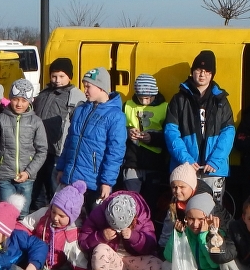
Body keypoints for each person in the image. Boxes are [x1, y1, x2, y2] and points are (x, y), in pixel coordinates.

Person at [163, 50, 235, 202]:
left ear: (212, 74)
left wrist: (215, 160)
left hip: (214, 170)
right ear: (192, 71)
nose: (202, 74)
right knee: (183, 209)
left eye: (207, 71)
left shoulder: (221, 100)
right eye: (198, 69)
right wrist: (186, 160)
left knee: (213, 209)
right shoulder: (179, 99)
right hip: (185, 169)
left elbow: (228, 132)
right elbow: (171, 132)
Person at [56, 67, 127, 216]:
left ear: (101, 87)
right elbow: (69, 141)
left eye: (88, 86)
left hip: (93, 183)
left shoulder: (115, 116)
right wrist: (62, 167)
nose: (85, 90)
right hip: (71, 179)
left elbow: (115, 152)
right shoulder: (81, 110)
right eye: (84, 86)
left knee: (92, 222)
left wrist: (107, 182)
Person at [78, 191, 164, 270]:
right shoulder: (98, 214)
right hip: (112, 260)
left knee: (160, 268)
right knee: (100, 250)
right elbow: (83, 242)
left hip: (135, 260)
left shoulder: (142, 216)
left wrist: (134, 236)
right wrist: (101, 236)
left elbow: (151, 245)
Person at [20, 180, 90, 270]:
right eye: (53, 212)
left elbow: (80, 266)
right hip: (31, 260)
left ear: (72, 217)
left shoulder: (70, 238)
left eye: (61, 216)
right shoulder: (44, 214)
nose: (55, 218)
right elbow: (23, 226)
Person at [0, 79, 47, 212]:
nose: (19, 104)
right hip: (4, 176)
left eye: (24, 100)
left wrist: (28, 172)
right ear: (10, 98)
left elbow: (42, 151)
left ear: (30, 101)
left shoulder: (36, 122)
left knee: (22, 213)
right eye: (15, 99)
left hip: (26, 178)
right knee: (6, 211)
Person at [32, 58, 86, 210]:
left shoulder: (75, 97)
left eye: (62, 76)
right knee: (37, 188)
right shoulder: (43, 94)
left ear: (70, 76)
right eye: (54, 76)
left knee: (55, 187)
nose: (57, 80)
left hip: (58, 151)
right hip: (38, 149)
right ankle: (38, 214)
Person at [162, 192, 225, 270]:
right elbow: (169, 257)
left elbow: (214, 264)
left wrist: (203, 237)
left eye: (201, 219)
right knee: (166, 266)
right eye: (191, 218)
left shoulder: (217, 235)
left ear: (209, 218)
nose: (195, 224)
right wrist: (177, 235)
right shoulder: (186, 232)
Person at [122, 73, 168, 210]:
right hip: (132, 161)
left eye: (148, 98)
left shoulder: (165, 107)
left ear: (155, 93)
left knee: (150, 204)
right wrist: (128, 131)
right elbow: (117, 129)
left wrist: (152, 138)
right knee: (130, 202)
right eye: (140, 98)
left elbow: (169, 135)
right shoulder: (127, 106)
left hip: (154, 163)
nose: (144, 101)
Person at [159, 162, 230, 248]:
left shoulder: (203, 203)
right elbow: (168, 226)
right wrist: (162, 248)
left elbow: (217, 235)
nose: (177, 191)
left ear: (192, 186)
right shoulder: (175, 201)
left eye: (182, 187)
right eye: (174, 187)